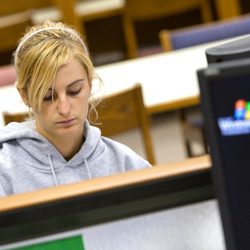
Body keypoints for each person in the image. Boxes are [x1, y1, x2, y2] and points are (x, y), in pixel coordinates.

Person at [0, 21, 150, 197]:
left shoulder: (124, 164)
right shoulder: (5, 172)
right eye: (48, 96)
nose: (64, 109)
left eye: (74, 91)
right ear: (24, 95)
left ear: (89, 83)